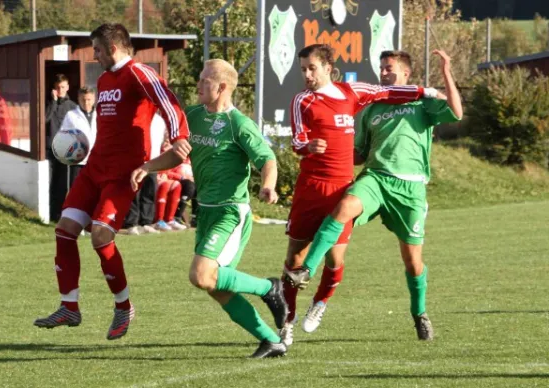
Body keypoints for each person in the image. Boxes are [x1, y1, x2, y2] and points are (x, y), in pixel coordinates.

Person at [284, 49, 463, 341]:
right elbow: (360, 153)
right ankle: (306, 270)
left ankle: (420, 313)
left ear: (405, 73)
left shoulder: (421, 103)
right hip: (376, 179)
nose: (384, 73)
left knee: (413, 261)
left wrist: (446, 73)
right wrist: (330, 153)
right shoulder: (370, 108)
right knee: (344, 207)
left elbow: (457, 112)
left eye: (389, 68)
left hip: (410, 188)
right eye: (381, 68)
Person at [33, 23, 191, 341]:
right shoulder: (104, 79)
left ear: (114, 49)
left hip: (123, 175)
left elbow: (168, 102)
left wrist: (179, 138)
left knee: (101, 236)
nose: (95, 55)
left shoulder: (139, 73)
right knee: (65, 229)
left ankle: (123, 306)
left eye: (97, 50)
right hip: (94, 169)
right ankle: (69, 306)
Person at [131, 59, 289, 358]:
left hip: (231, 212)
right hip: (205, 212)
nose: (198, 84)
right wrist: (149, 166)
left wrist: (268, 185)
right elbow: (178, 155)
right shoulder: (192, 116)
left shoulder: (239, 124)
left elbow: (267, 159)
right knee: (216, 286)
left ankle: (269, 288)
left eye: (205, 80)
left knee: (202, 275)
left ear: (222, 87)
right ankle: (272, 340)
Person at [120, 114, 166, 235]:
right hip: (137, 161)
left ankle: (146, 222)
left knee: (150, 192)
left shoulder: (160, 120)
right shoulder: (138, 117)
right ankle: (132, 223)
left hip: (154, 161)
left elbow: (160, 141)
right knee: (135, 192)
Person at [46, 74, 77, 221]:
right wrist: (53, 102)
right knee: (50, 183)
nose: (60, 90)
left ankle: (59, 214)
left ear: (68, 87)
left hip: (65, 151)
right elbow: (45, 119)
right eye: (58, 87)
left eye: (63, 87)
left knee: (63, 184)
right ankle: (49, 214)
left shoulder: (72, 107)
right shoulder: (49, 103)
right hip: (50, 149)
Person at [59, 86, 98, 188]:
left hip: (96, 161)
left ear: (94, 99)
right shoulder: (71, 115)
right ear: (78, 99)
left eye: (89, 100)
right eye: (83, 100)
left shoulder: (100, 115)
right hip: (78, 162)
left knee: (94, 191)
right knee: (77, 191)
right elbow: (63, 136)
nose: (86, 103)